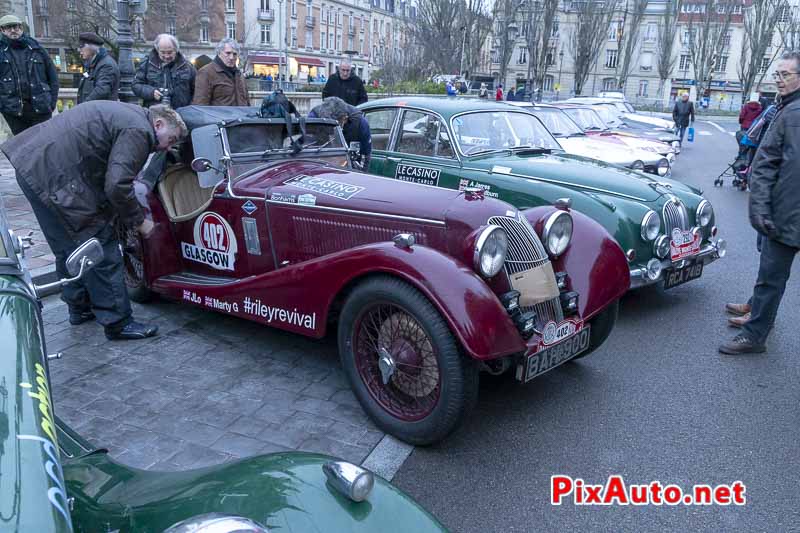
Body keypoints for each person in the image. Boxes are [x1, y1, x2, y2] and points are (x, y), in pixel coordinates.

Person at [0, 102, 187, 340]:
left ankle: (79, 308)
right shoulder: (140, 129)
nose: (165, 148)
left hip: (33, 166)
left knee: (69, 247)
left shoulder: (130, 116)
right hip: (54, 175)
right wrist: (140, 222)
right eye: (170, 140)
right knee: (101, 246)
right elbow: (117, 186)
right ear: (158, 124)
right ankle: (118, 323)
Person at [719, 51, 800, 355]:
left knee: (772, 276)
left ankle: (755, 334)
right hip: (781, 210)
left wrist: (764, 208)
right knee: (769, 272)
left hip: (785, 213)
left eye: (785, 75)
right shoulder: (787, 107)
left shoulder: (794, 113)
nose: (778, 80)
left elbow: (781, 168)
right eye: (776, 74)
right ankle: (758, 315)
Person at [0, 15, 59, 135]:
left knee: (43, 144)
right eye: (8, 27)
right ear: (2, 30)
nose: (13, 30)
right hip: (14, 112)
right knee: (22, 147)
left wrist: (51, 103)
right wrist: (3, 107)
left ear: (21, 28)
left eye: (16, 27)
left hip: (41, 109)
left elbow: (53, 78)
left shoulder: (37, 49)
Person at [132, 34, 196, 109]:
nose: (166, 56)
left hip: (182, 112)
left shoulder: (187, 66)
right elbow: (136, 85)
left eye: (170, 52)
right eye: (162, 52)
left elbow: (197, 90)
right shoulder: (146, 64)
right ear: (157, 50)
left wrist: (190, 108)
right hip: (155, 113)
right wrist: (151, 92)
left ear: (176, 50)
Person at [308, 96, 371, 170]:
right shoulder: (314, 116)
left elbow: (366, 153)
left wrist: (362, 172)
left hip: (349, 163)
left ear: (344, 118)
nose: (331, 129)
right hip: (320, 160)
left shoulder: (360, 123)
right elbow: (307, 142)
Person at [192, 38, 249, 106]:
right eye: (228, 53)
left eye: (235, 54)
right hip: (219, 116)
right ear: (219, 53)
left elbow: (246, 101)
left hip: (240, 115)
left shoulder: (239, 75)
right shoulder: (206, 72)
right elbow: (200, 105)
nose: (231, 57)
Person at [76, 32, 119, 104]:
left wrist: (84, 106)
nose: (79, 51)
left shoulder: (107, 65)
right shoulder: (92, 63)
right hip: (93, 109)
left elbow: (102, 90)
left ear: (91, 48)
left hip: (101, 112)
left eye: (81, 47)